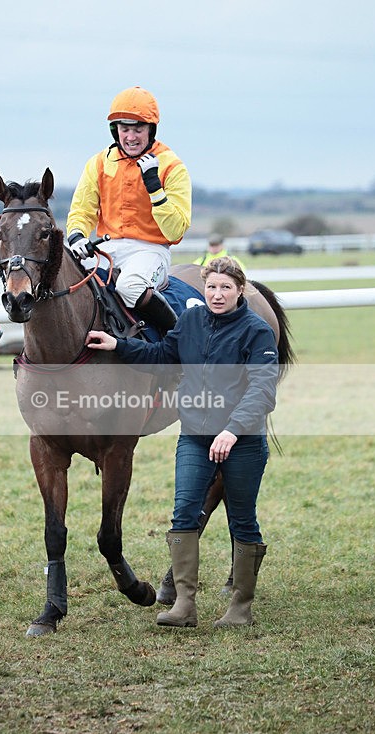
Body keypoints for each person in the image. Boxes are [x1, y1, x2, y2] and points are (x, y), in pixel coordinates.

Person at [85, 256, 279, 629]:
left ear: (240, 290)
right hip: (195, 436)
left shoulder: (257, 332)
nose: (217, 294)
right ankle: (183, 605)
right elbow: (162, 355)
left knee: (242, 521)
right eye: (211, 287)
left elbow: (262, 390)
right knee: (184, 513)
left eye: (226, 288)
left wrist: (233, 430)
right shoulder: (190, 321)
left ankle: (240, 607)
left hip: (243, 440)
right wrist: (117, 346)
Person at [66, 85, 191, 335]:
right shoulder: (99, 163)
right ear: (116, 130)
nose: (131, 137)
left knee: (131, 286)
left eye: (138, 129)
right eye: (125, 129)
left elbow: (175, 232)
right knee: (66, 275)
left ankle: (178, 342)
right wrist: (77, 235)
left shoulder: (172, 166)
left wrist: (154, 187)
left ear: (151, 130)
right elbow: (82, 210)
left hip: (151, 249)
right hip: (106, 247)